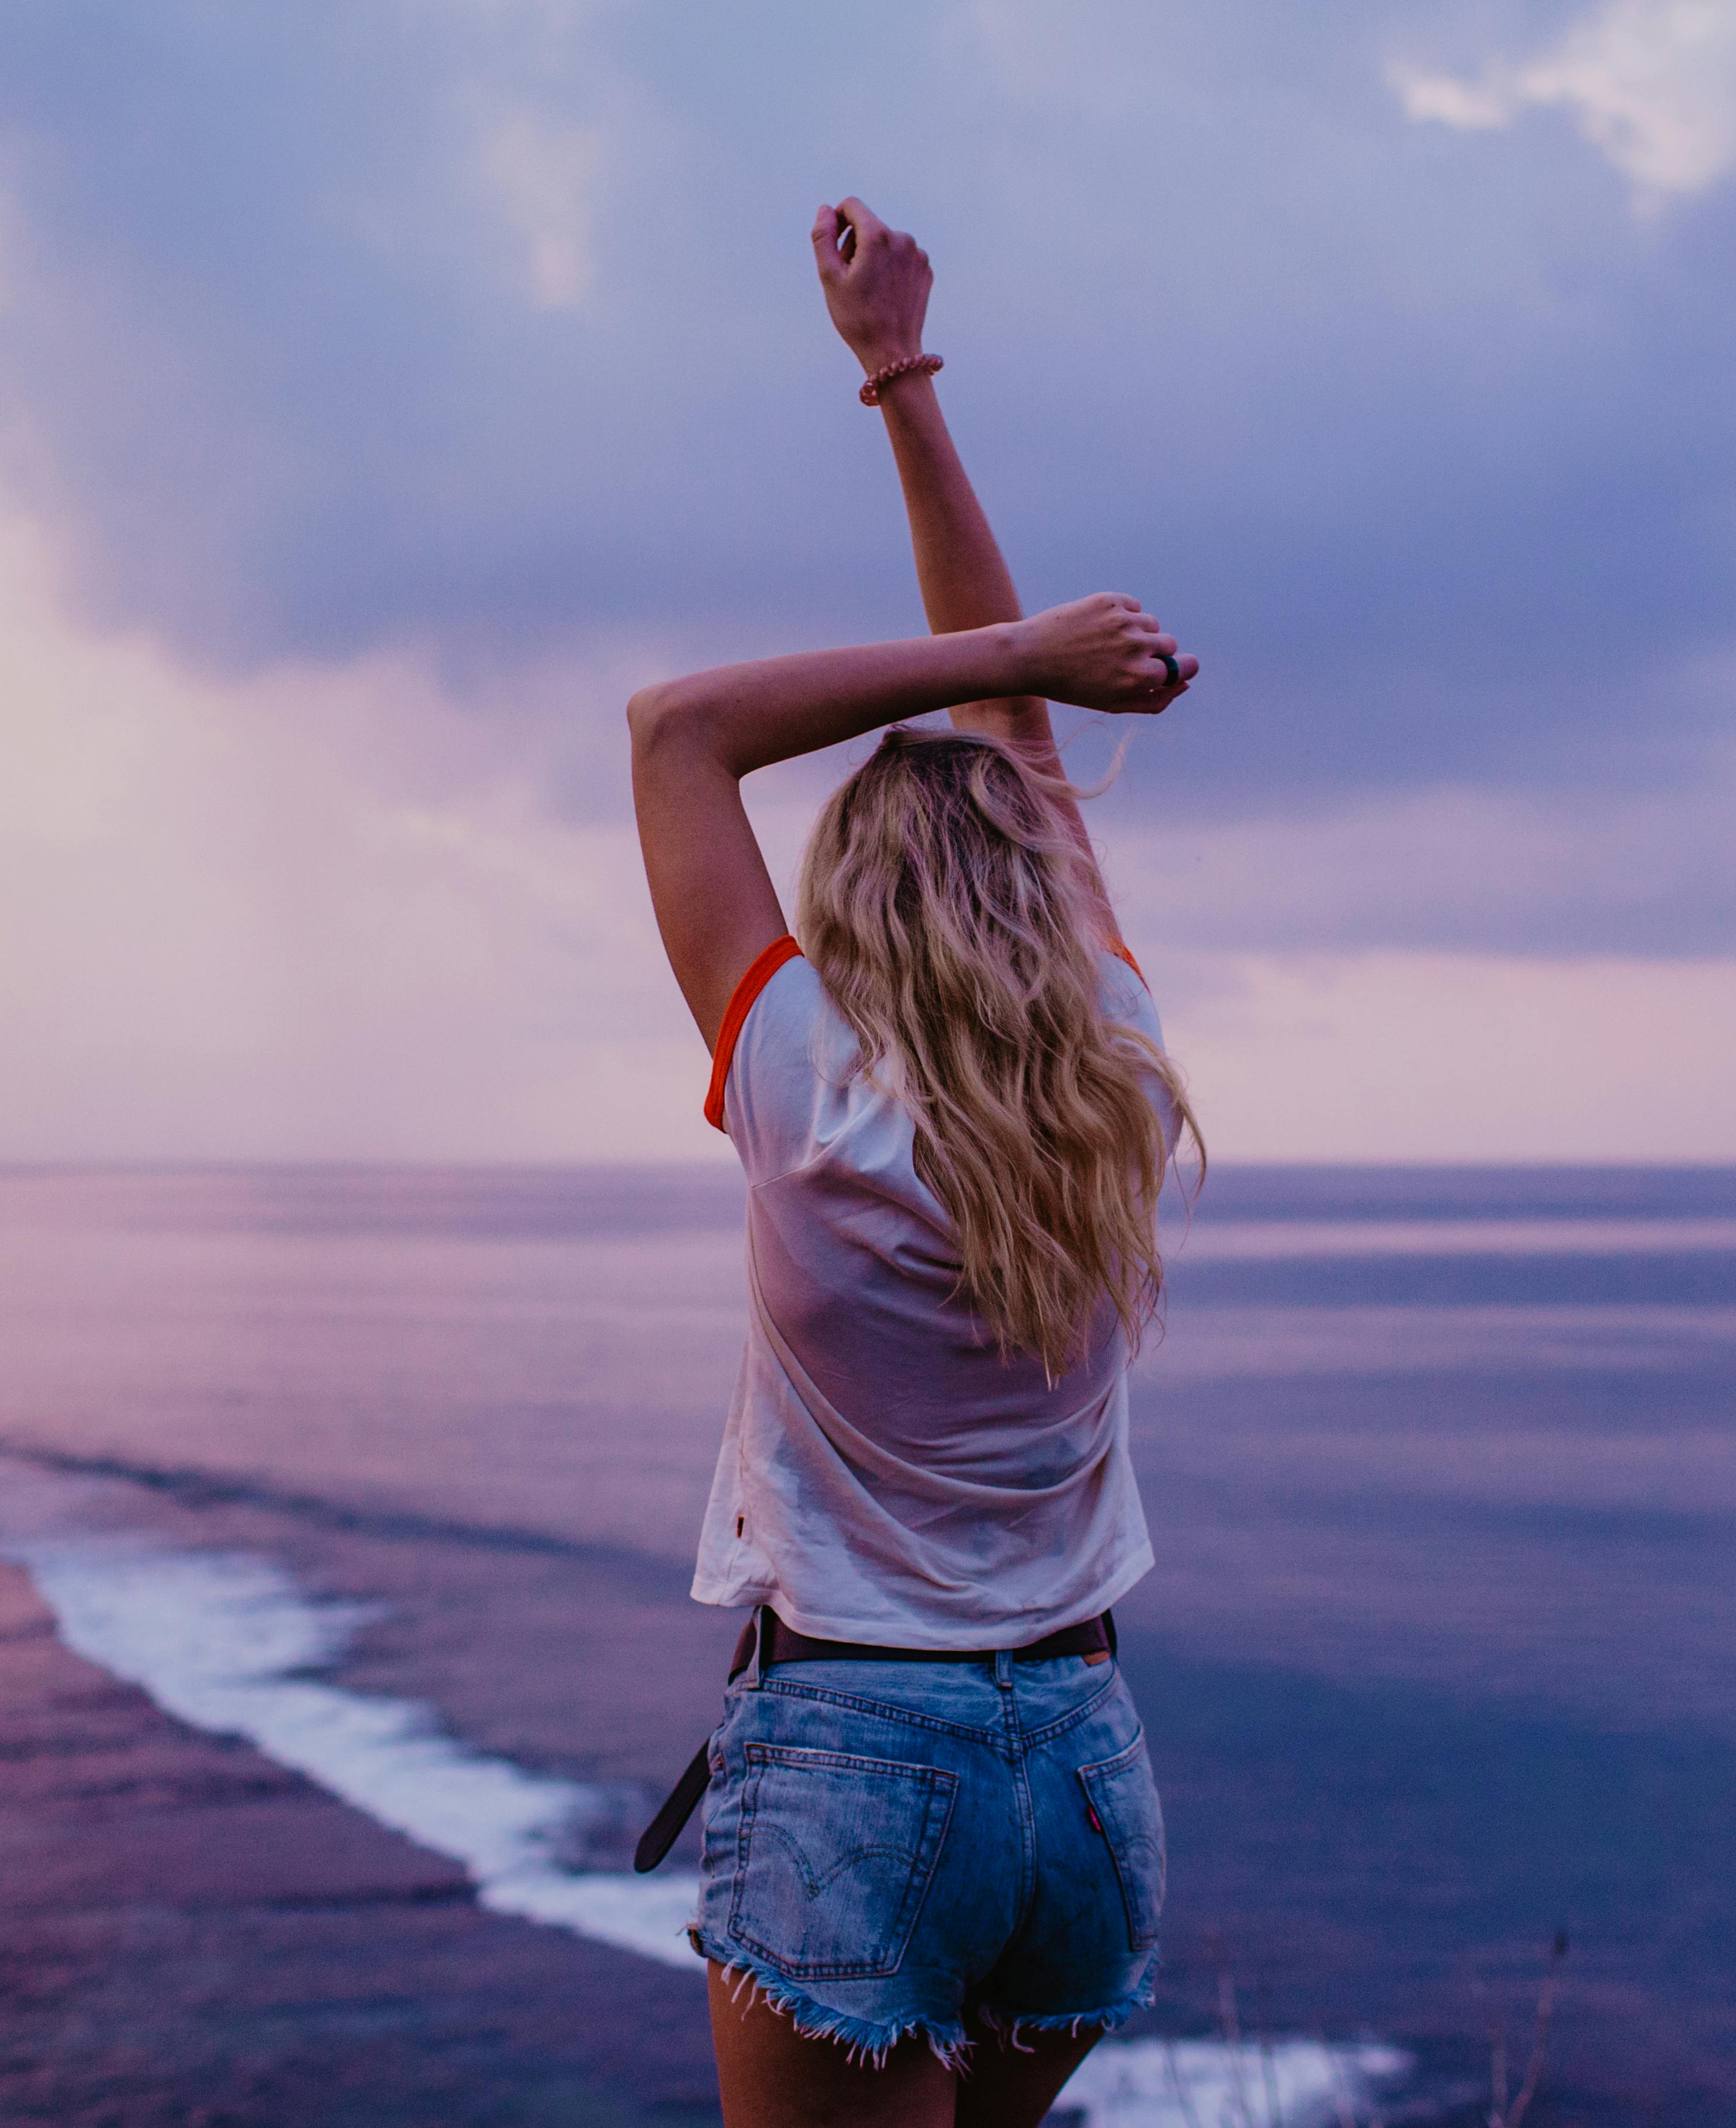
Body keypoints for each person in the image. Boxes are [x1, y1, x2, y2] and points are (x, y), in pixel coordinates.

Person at [626, 197, 1204, 2128]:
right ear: (1042, 901)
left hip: (856, 1747)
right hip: (1082, 1761)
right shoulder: (1114, 1064)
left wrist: (1019, 641)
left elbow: (678, 729)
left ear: (848, 913)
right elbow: (1011, 737)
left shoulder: (802, 1086)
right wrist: (903, 384)